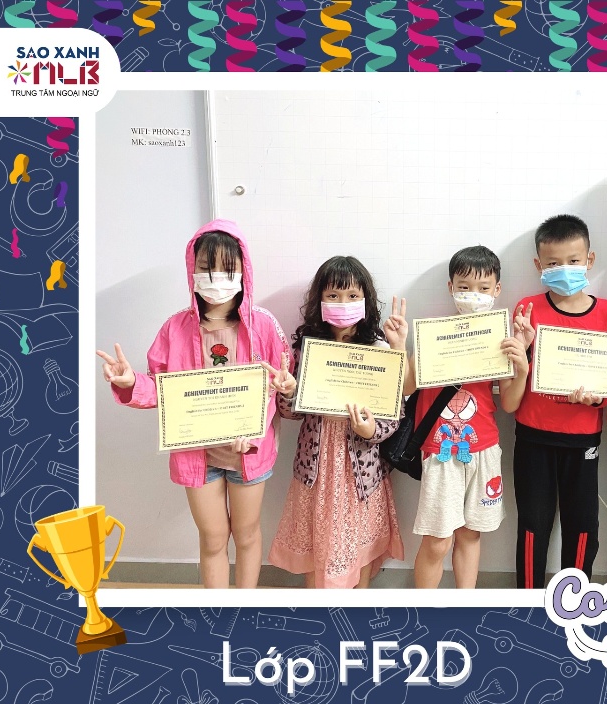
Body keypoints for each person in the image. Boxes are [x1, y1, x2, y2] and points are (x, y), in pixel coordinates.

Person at [96, 219, 294, 589]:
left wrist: (278, 396)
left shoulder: (264, 326)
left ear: (243, 271)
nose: (216, 278)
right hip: (197, 454)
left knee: (247, 535)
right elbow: (162, 389)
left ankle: (244, 608)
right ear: (193, 270)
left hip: (249, 452)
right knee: (213, 539)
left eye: (227, 269)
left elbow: (278, 382)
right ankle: (217, 609)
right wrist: (130, 382)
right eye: (206, 268)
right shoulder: (175, 328)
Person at [384, 246, 531, 588]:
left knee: (470, 534)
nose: (473, 294)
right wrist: (399, 346)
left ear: (497, 289)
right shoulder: (434, 334)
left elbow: (509, 403)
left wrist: (522, 365)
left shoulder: (500, 337)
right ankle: (425, 610)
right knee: (438, 540)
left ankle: (465, 606)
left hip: (484, 448)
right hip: (440, 451)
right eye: (464, 287)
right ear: (451, 287)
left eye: (483, 288)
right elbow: (406, 387)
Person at [268, 256, 404, 589]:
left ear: (366, 300)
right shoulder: (306, 349)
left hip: (361, 471)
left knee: (360, 549)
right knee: (317, 547)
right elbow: (292, 413)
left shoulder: (379, 348)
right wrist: (289, 392)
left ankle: (357, 611)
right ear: (320, 300)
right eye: (333, 295)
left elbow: (394, 413)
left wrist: (371, 430)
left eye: (352, 295)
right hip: (316, 470)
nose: (343, 303)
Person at [506, 214, 607, 589]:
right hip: (533, 435)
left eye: (573, 261)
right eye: (554, 263)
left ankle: (576, 598)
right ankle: (527, 601)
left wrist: (597, 399)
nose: (564, 269)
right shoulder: (527, 309)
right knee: (533, 524)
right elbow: (515, 373)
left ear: (590, 260)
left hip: (583, 437)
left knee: (583, 524)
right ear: (539, 265)